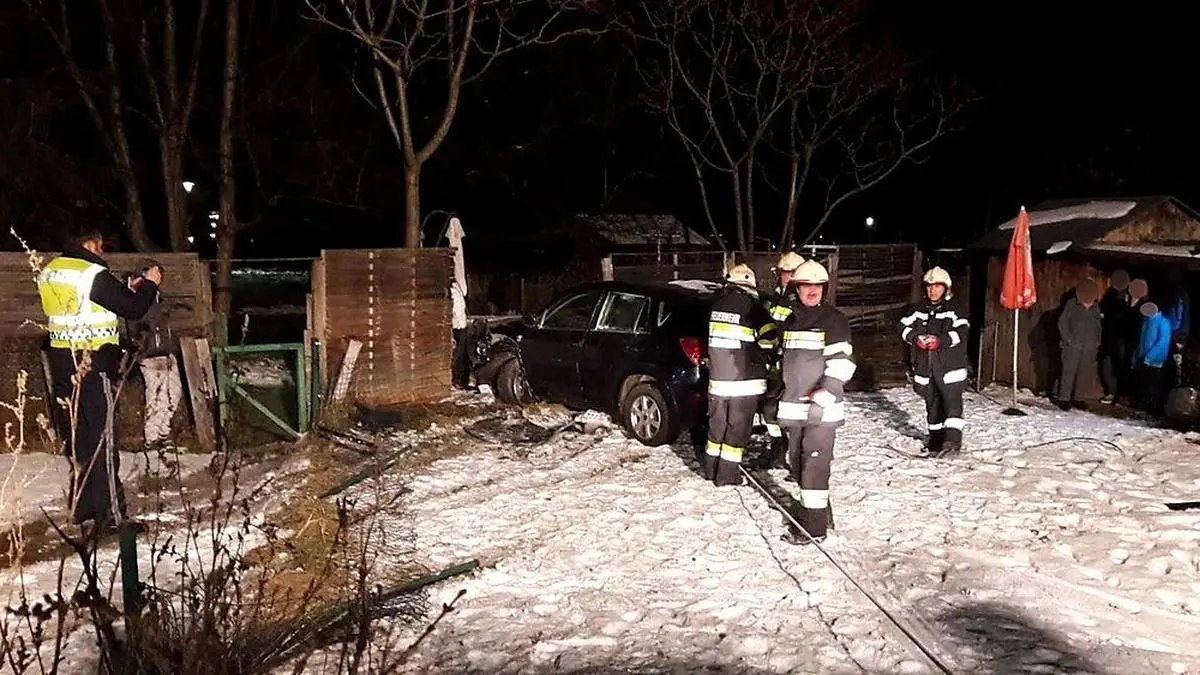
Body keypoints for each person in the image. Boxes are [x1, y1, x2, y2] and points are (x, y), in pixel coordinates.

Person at [38, 229, 160, 533]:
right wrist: (151, 285)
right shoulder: (91, 272)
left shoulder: (51, 270)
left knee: (81, 438)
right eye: (100, 245)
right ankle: (111, 516)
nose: (102, 252)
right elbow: (132, 308)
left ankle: (84, 506)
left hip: (64, 362)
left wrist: (127, 288)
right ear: (89, 244)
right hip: (93, 364)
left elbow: (87, 305)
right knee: (103, 438)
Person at [775, 259, 854, 545]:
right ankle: (821, 512)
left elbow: (844, 363)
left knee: (814, 466)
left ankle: (813, 529)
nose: (813, 291)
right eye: (807, 285)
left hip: (823, 409)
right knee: (796, 465)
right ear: (796, 288)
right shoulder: (790, 319)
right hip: (793, 406)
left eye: (818, 286)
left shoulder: (834, 320)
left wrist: (828, 389)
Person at [705, 264, 775, 486]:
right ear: (749, 286)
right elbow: (770, 338)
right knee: (737, 432)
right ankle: (727, 477)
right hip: (744, 383)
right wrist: (760, 354)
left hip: (718, 383)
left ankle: (710, 470)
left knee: (717, 429)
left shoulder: (715, 306)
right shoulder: (753, 308)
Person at [899, 267, 969, 457]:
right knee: (932, 404)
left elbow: (961, 333)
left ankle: (952, 442)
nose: (933, 291)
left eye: (937, 287)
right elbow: (902, 326)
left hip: (950, 367)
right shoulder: (918, 309)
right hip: (926, 367)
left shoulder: (955, 309)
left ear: (945, 288)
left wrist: (940, 341)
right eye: (929, 287)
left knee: (952, 404)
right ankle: (936, 440)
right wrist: (915, 338)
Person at [128, 259, 184, 448]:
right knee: (155, 395)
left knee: (173, 393)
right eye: (156, 273)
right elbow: (138, 325)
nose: (160, 278)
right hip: (150, 354)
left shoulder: (158, 295)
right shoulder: (137, 295)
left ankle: (163, 433)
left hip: (165, 351)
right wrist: (142, 351)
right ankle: (152, 437)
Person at [760, 251, 804, 469]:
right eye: (783, 273)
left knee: (793, 413)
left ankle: (798, 460)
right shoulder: (778, 296)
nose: (784, 277)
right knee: (769, 410)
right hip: (775, 363)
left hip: (794, 365)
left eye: (788, 274)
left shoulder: (799, 300)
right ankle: (778, 450)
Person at [1055, 280, 1103, 410]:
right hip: (1072, 346)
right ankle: (1064, 398)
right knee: (1068, 372)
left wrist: (1097, 342)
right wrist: (1069, 340)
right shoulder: (1071, 305)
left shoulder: (1096, 307)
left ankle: (1078, 398)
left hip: (1089, 347)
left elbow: (1099, 326)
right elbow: (1062, 323)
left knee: (1084, 373)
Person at [1099, 270, 1134, 404]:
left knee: (1121, 367)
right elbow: (1103, 312)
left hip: (1125, 339)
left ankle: (1122, 394)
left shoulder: (1132, 298)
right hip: (1110, 337)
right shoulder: (1110, 297)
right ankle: (1112, 392)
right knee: (1107, 365)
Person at [1132, 301, 1172, 414]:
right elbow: (1141, 340)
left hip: (1155, 360)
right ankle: (1143, 404)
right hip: (1143, 358)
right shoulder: (1146, 320)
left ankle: (1153, 407)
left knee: (1153, 384)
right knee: (1144, 383)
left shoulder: (1163, 322)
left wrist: (1150, 356)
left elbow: (1163, 342)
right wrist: (1137, 356)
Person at [450, 279, 471, 388]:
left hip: (460, 325)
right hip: (456, 326)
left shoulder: (456, 289)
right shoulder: (452, 291)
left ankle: (462, 379)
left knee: (462, 353)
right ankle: (458, 379)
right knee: (458, 354)